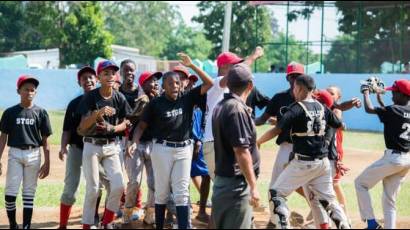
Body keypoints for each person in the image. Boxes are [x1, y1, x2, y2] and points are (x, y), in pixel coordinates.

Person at [129, 53, 213, 229]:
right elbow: (141, 126)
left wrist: (192, 66)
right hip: (162, 149)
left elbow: (209, 84)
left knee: (182, 193)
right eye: (170, 83)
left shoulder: (188, 97)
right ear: (163, 86)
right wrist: (135, 142)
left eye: (177, 82)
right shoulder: (156, 103)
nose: (175, 86)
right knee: (162, 193)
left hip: (184, 149)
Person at [257, 74, 350, 229]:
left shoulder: (297, 108)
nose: (293, 90)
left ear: (299, 89)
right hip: (323, 163)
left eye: (294, 88)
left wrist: (258, 141)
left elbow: (277, 130)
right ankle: (344, 226)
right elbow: (340, 125)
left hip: (303, 162)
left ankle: (282, 226)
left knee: (276, 193)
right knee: (328, 201)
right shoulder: (322, 107)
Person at [77, 60, 132, 229]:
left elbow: (127, 122)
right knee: (93, 189)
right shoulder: (90, 97)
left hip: (111, 145)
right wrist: (98, 113)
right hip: (91, 146)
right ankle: (87, 225)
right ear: (99, 77)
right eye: (105, 73)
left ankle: (106, 222)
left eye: (112, 73)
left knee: (118, 185)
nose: (110, 76)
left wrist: (114, 127)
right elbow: (82, 126)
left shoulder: (119, 97)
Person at [202, 46, 264, 180]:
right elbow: (240, 72)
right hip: (213, 142)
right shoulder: (216, 83)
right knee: (224, 185)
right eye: (234, 65)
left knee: (230, 185)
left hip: (222, 142)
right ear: (223, 67)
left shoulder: (228, 87)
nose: (237, 68)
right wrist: (253, 56)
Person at [355, 79, 410, 229]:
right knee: (389, 200)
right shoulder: (400, 110)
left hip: (393, 158)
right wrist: (379, 97)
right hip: (407, 160)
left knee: (360, 184)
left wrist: (366, 92)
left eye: (394, 92)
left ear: (403, 95)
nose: (392, 95)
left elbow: (369, 109)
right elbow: (390, 111)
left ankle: (371, 223)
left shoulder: (393, 110)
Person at [211, 63, 261, 229]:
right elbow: (241, 151)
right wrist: (254, 186)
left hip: (224, 183)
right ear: (250, 85)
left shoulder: (221, 105)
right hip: (235, 186)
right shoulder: (236, 109)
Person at [0, 75, 52, 229]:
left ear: (35, 93)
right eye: (26, 89)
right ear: (18, 91)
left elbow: (45, 140)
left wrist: (48, 162)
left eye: (32, 90)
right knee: (10, 191)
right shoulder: (10, 112)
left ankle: (26, 226)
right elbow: (3, 138)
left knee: (29, 192)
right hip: (15, 153)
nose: (29, 92)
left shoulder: (41, 112)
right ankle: (12, 224)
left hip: (34, 153)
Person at [58, 67, 100, 229]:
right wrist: (62, 147)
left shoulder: (103, 101)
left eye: (90, 77)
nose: (88, 80)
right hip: (77, 149)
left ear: (96, 80)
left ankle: (92, 221)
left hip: (96, 150)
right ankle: (62, 225)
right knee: (70, 187)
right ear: (79, 82)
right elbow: (66, 130)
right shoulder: (74, 104)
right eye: (84, 78)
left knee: (97, 186)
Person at [123, 71, 162, 226]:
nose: (155, 83)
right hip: (136, 143)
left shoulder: (160, 99)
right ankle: (128, 210)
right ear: (143, 84)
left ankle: (150, 212)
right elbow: (130, 119)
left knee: (154, 182)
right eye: (151, 81)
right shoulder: (138, 99)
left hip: (154, 144)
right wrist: (142, 105)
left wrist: (155, 100)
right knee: (134, 182)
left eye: (156, 81)